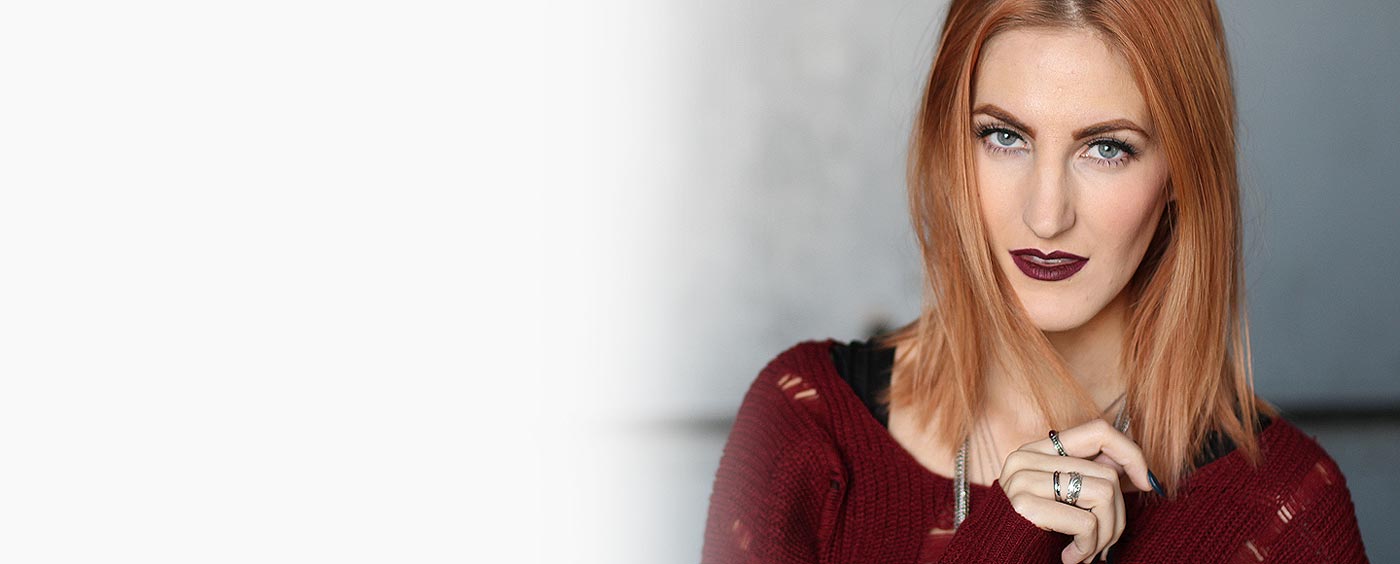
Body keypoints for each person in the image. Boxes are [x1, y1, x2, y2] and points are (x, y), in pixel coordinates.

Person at [700, 0, 1370, 563]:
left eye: (1107, 148)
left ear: (1181, 171)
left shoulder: (1282, 515)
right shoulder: (807, 431)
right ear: (949, 147)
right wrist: (999, 543)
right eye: (1004, 137)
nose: (1047, 216)